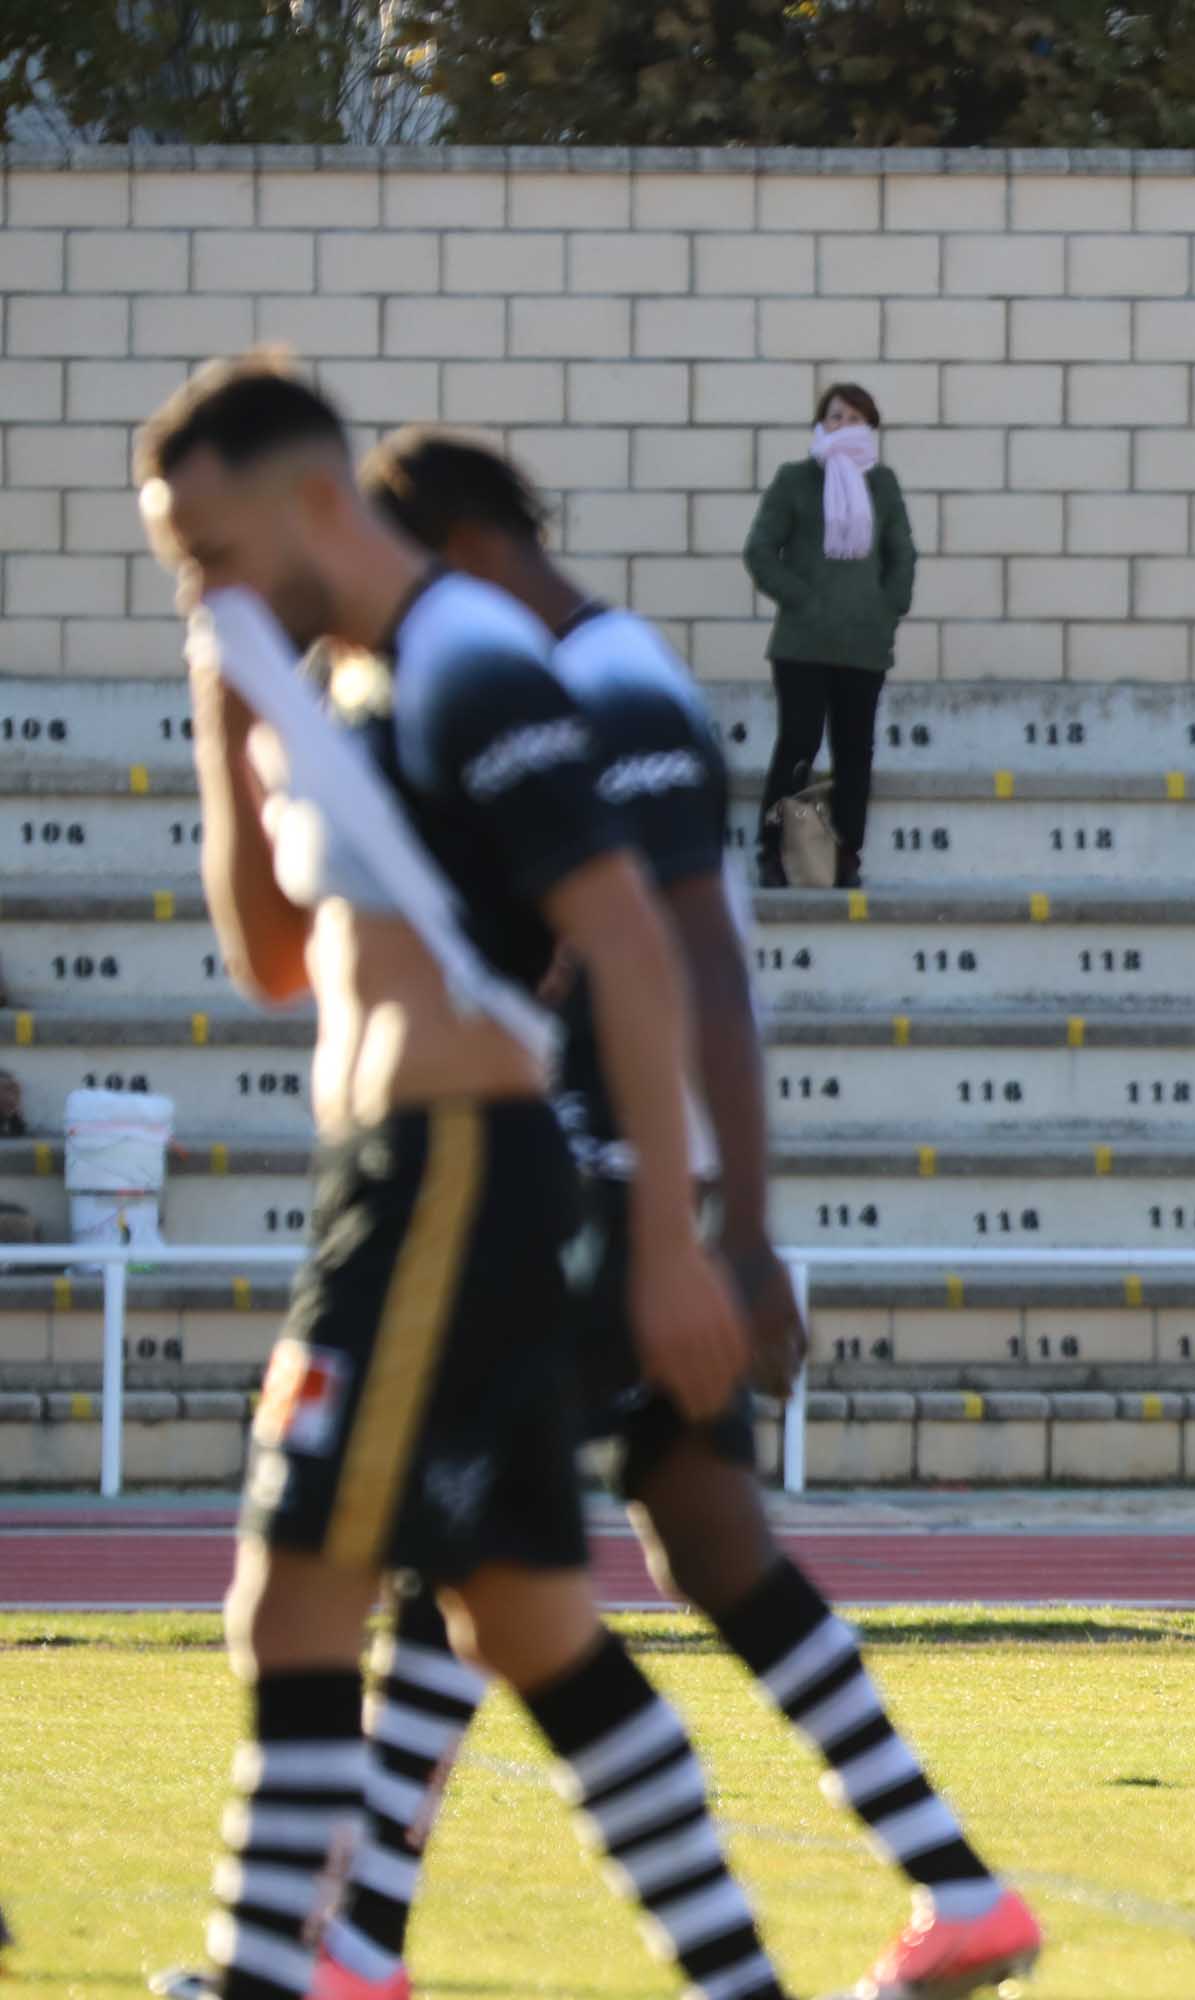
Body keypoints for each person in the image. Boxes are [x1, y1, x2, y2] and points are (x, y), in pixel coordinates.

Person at [342, 430, 1042, 1999]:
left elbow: (703, 964)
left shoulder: (604, 690)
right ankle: (956, 1884)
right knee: (709, 1543)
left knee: (462, 1551)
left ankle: (354, 1946)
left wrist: (728, 1233)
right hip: (628, 1188)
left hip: (586, 1198)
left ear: (455, 549)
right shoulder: (587, 684)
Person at [136, 355, 787, 2000]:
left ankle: (258, 1972)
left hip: (451, 1185)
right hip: (395, 1176)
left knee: (290, 1601)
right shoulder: (348, 689)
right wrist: (232, 713)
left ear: (307, 504)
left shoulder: (469, 671)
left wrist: (669, 1243)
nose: (197, 585)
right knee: (522, 1626)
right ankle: (734, 1978)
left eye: (206, 548)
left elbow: (633, 946)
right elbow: (278, 962)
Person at [743, 382, 916, 890]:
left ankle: (847, 856)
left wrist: (888, 609)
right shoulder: (796, 480)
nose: (845, 425)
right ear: (822, 423)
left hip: (864, 646)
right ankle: (771, 851)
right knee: (798, 745)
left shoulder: (882, 484)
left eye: (856, 418)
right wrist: (803, 601)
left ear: (871, 427)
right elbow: (759, 551)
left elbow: (901, 555)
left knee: (854, 752)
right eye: (836, 416)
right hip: (802, 644)